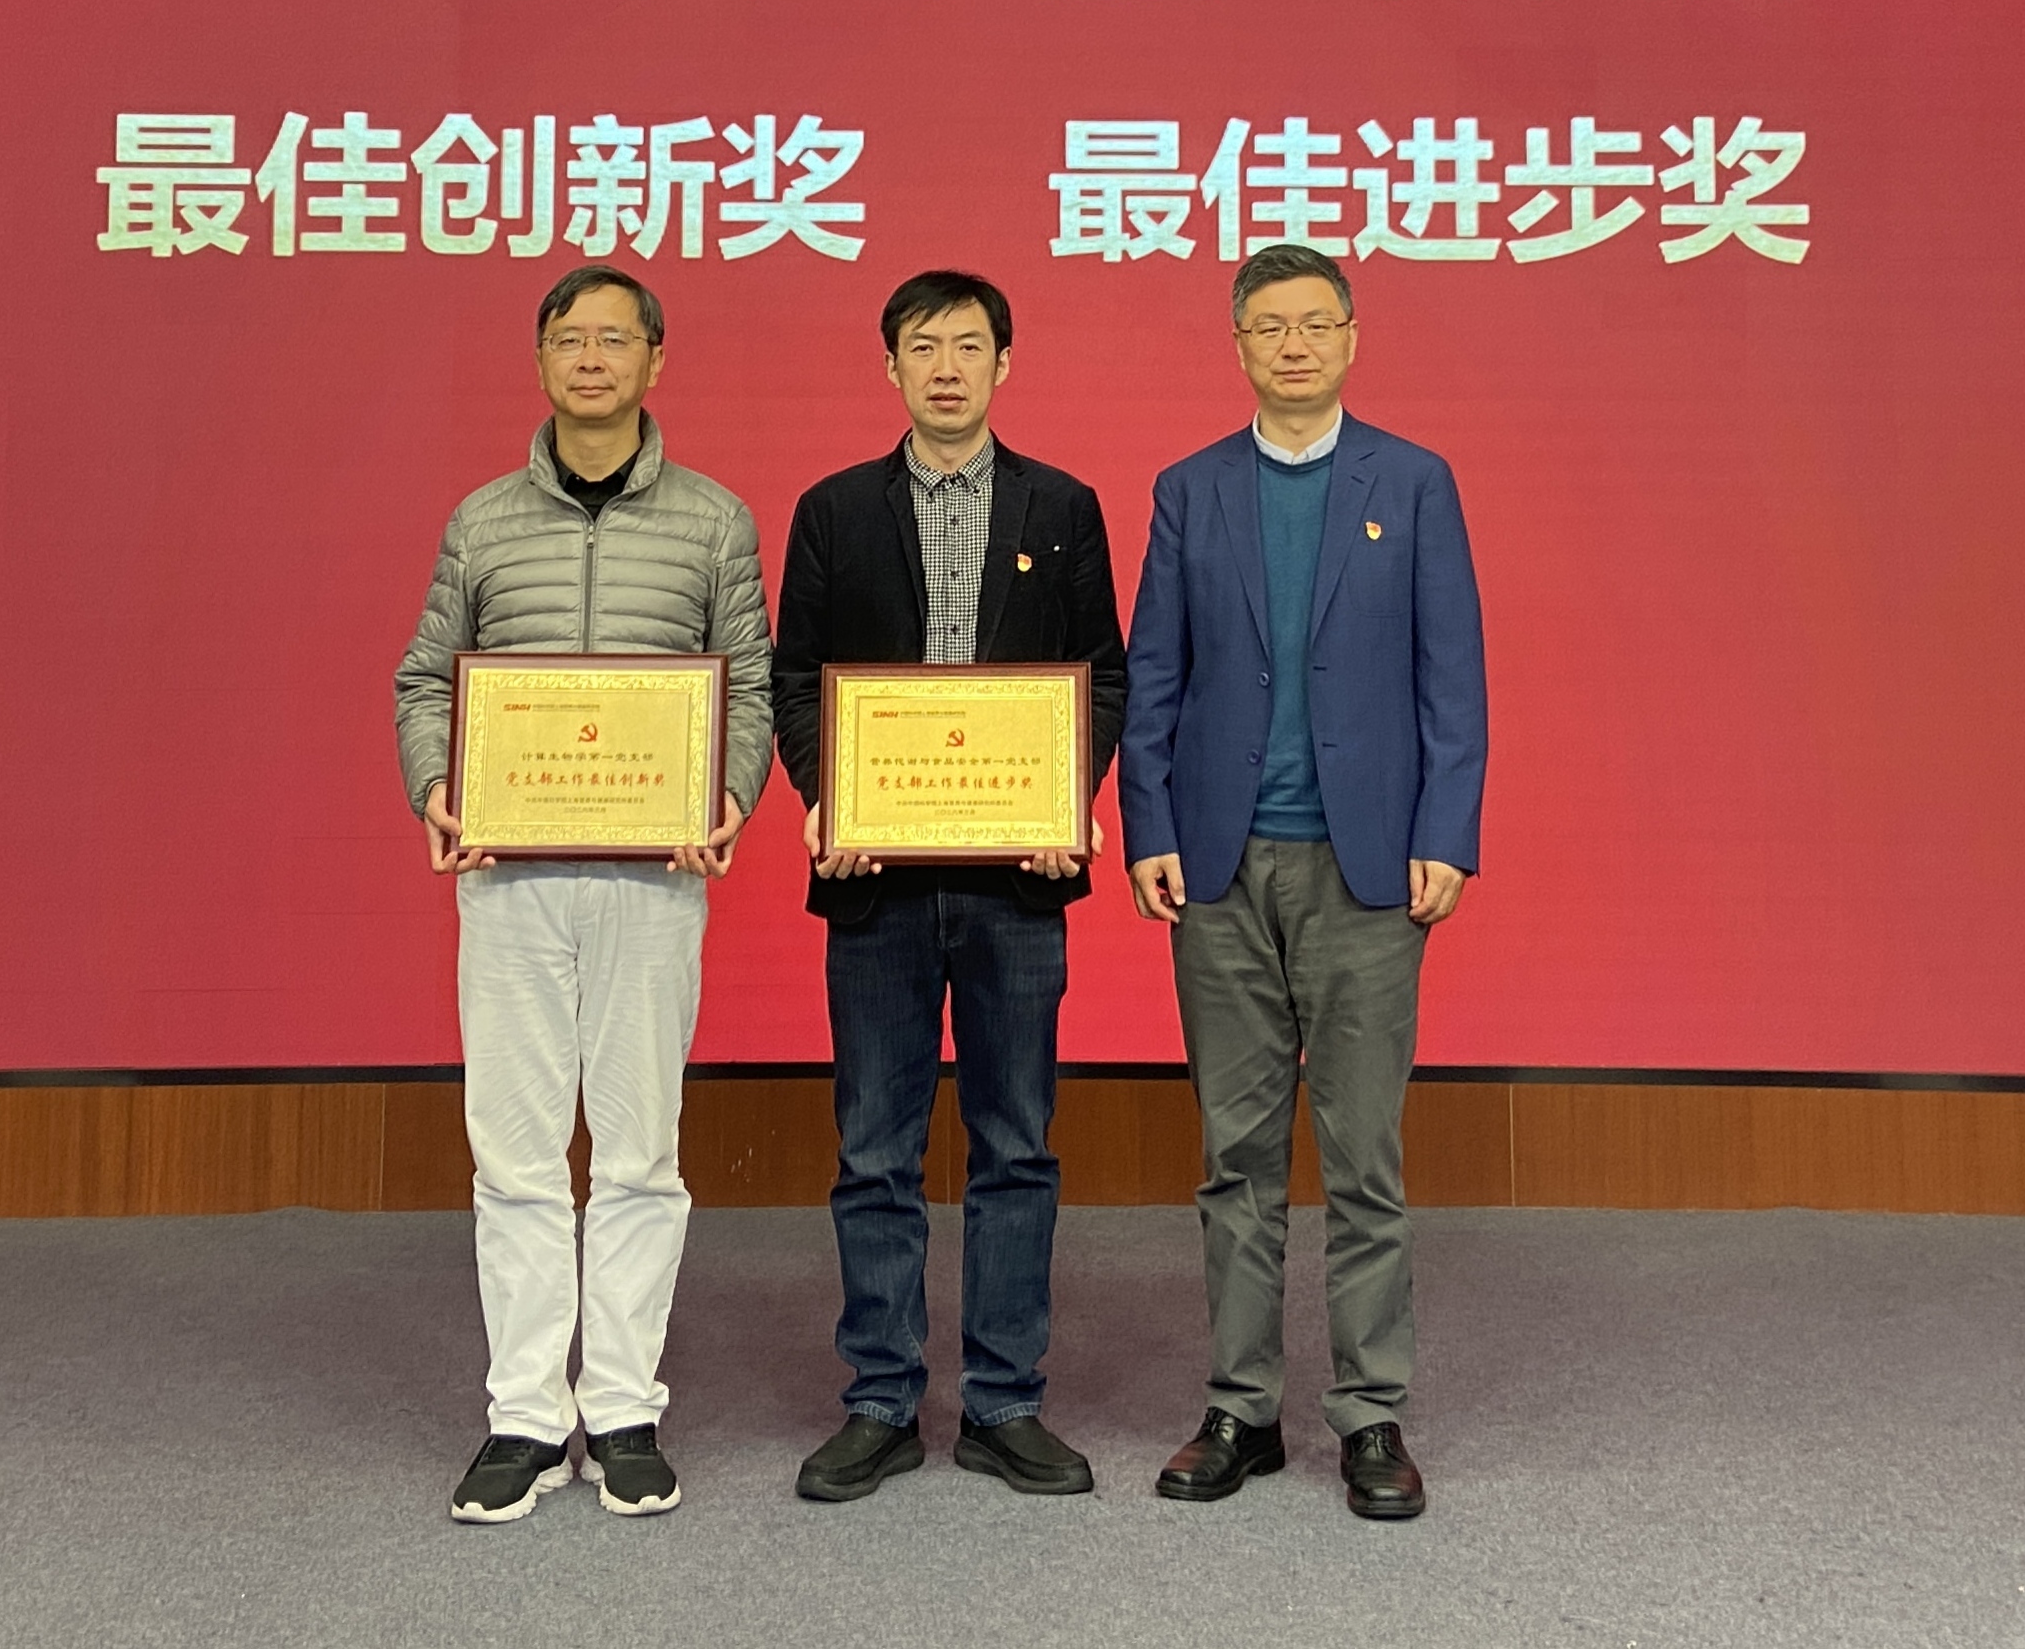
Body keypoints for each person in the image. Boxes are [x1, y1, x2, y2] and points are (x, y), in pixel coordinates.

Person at [394, 264, 773, 1525]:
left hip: (651, 881)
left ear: (656, 361)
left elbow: (748, 684)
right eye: (571, 338)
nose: (594, 358)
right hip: (509, 877)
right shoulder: (483, 520)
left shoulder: (714, 519)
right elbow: (426, 680)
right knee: (513, 1154)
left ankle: (620, 1407)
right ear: (543, 360)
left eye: (617, 339)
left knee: (640, 1152)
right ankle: (522, 1414)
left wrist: (729, 795)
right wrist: (438, 786)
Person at [1119, 242, 1487, 1521]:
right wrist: (1148, 824)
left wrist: (1448, 830)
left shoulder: (1415, 481)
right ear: (1238, 345)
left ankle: (1372, 1412)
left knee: (1363, 1154)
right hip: (1219, 865)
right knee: (1236, 1156)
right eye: (1268, 326)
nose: (1292, 345)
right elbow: (1154, 674)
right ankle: (1242, 1405)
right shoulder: (1190, 488)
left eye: (1315, 323)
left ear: (1350, 338)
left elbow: (1453, 679)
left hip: (1367, 867)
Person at [771, 270, 1127, 1502]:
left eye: (969, 346)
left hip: (1014, 885)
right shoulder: (833, 509)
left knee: (1015, 1144)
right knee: (874, 1146)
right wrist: (827, 797)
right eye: (922, 347)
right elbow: (798, 678)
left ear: (1003, 364)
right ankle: (879, 1399)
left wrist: (1066, 797)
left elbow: (1103, 673)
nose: (946, 368)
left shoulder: (1063, 506)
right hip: (874, 880)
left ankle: (1003, 1400)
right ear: (890, 368)